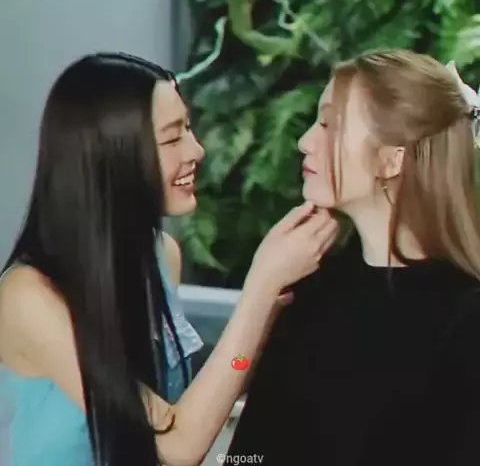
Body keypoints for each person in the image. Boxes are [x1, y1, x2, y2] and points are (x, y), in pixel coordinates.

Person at [0, 53, 338, 466]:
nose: (197, 150)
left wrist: (266, 308)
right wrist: (259, 290)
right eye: (172, 138)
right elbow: (175, 446)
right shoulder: (27, 296)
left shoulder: (161, 256)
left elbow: (201, 399)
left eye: (188, 129)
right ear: (113, 155)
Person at [227, 49, 480, 466]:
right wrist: (257, 300)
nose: (305, 142)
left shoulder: (465, 320)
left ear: (392, 158)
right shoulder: (306, 280)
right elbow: (249, 442)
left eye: (329, 125)